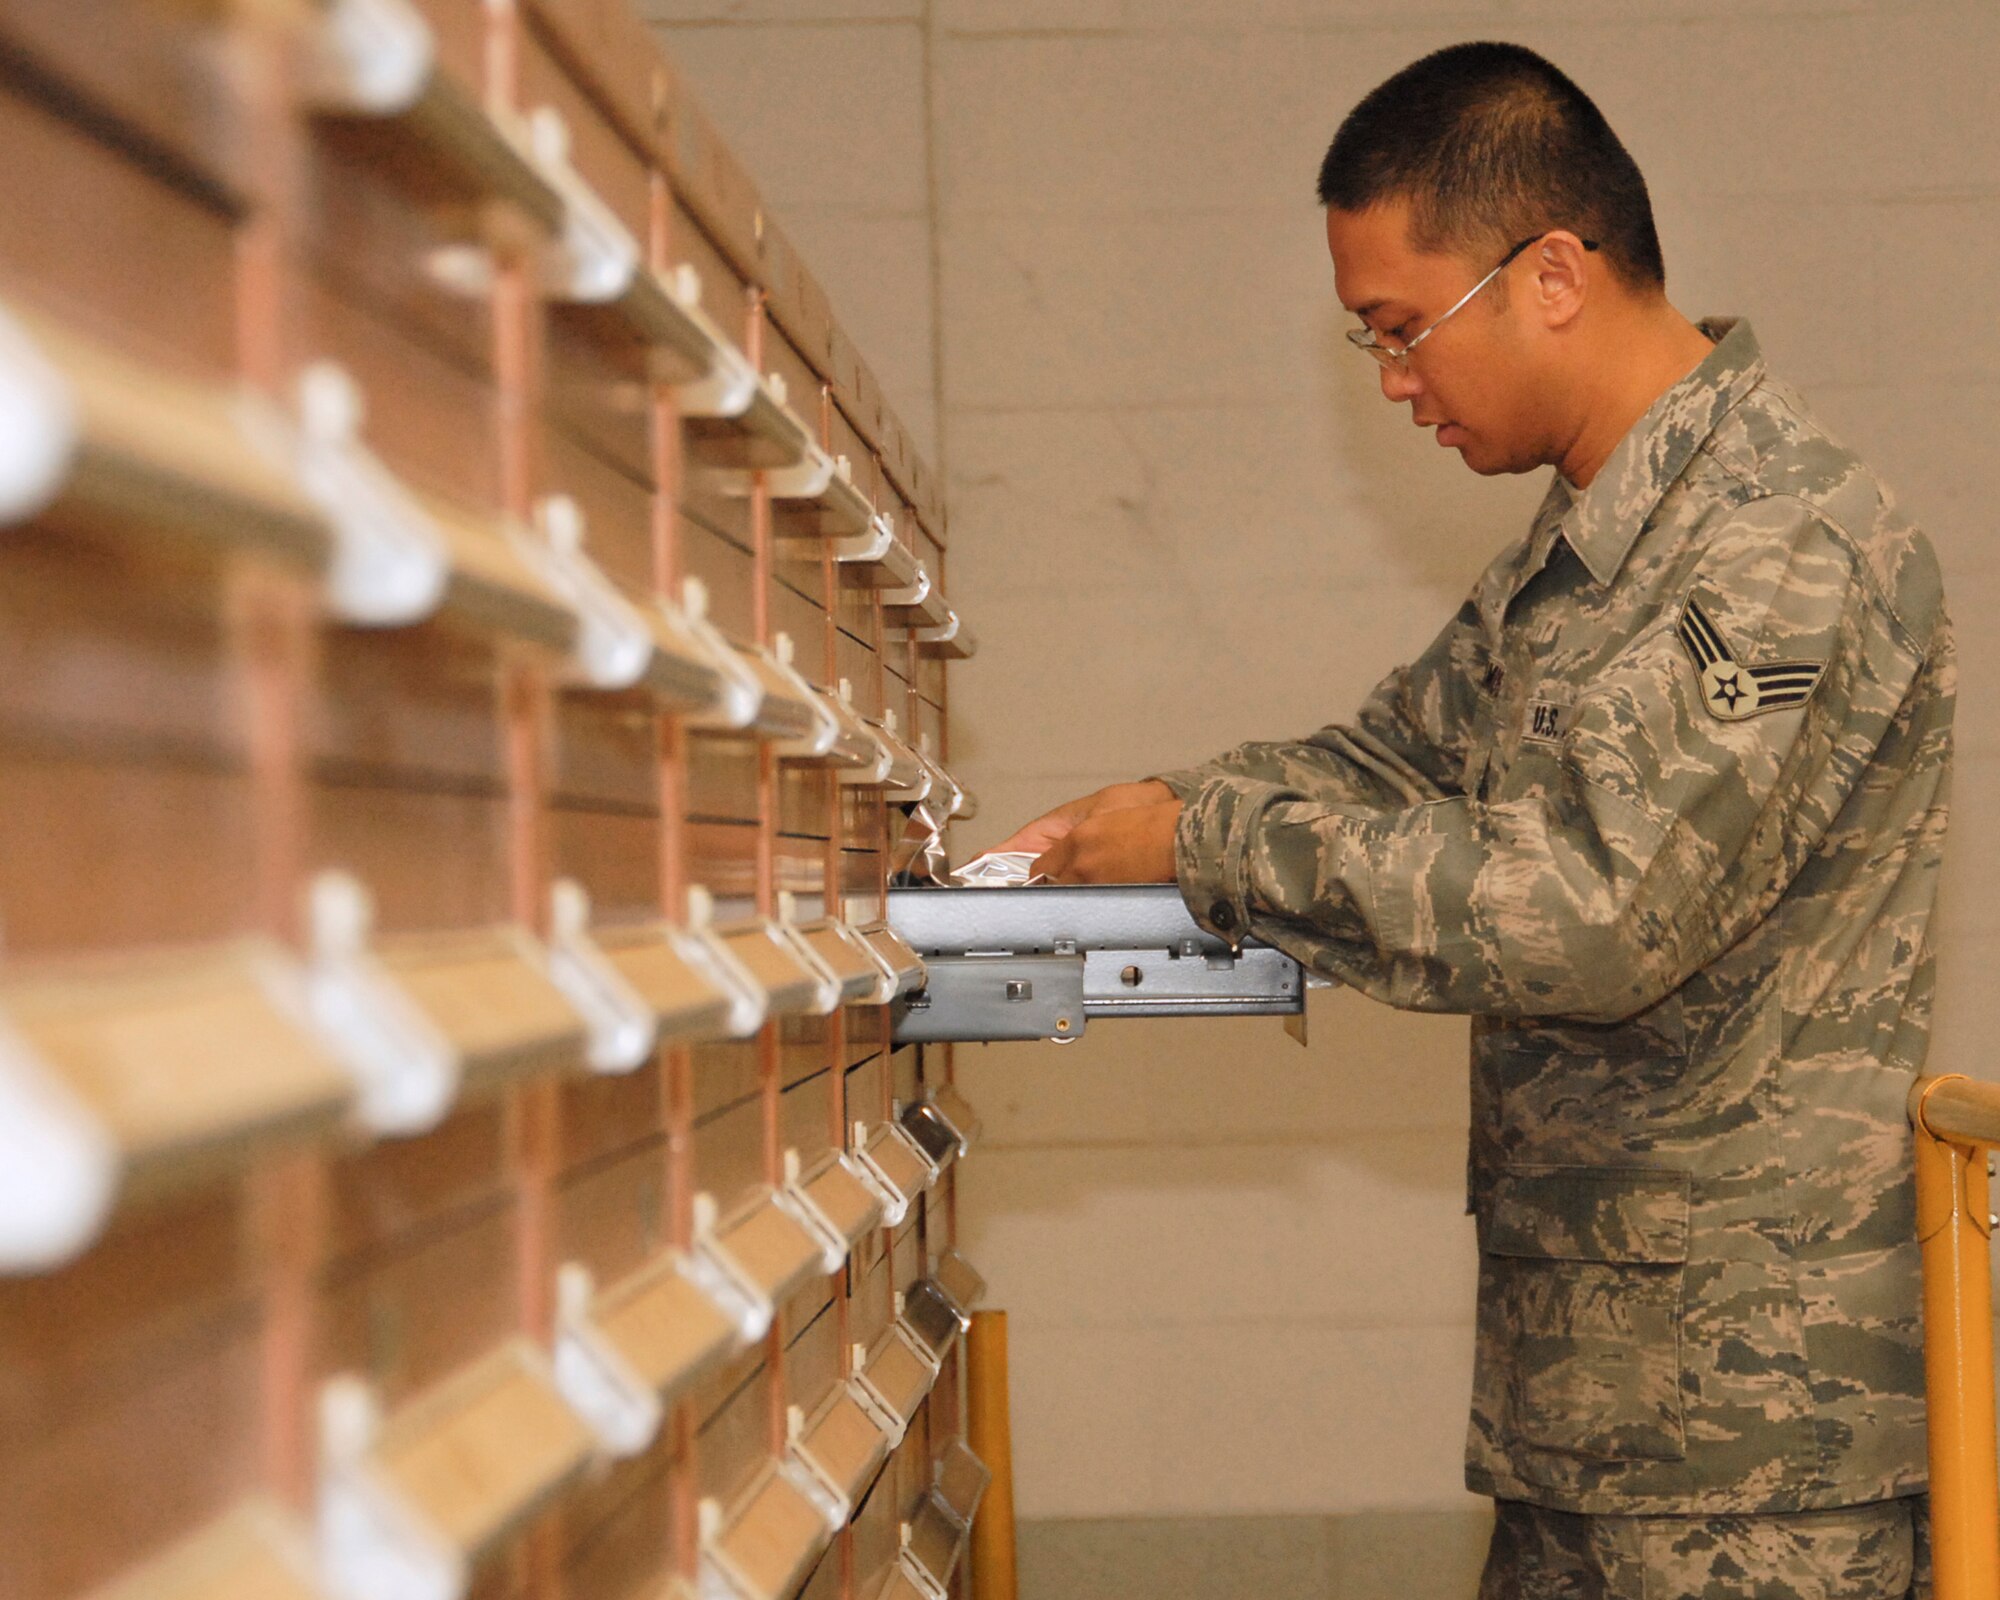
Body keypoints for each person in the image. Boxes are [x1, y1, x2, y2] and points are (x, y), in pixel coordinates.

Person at [991, 41, 1951, 1600]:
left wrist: (1213, 848)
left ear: (1552, 274)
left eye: (1399, 330)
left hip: (1749, 1452)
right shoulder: (1585, 550)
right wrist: (1145, 824)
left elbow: (1594, 914)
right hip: (1590, 1406)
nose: (1390, 383)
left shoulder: (1780, 539)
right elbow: (1395, 767)